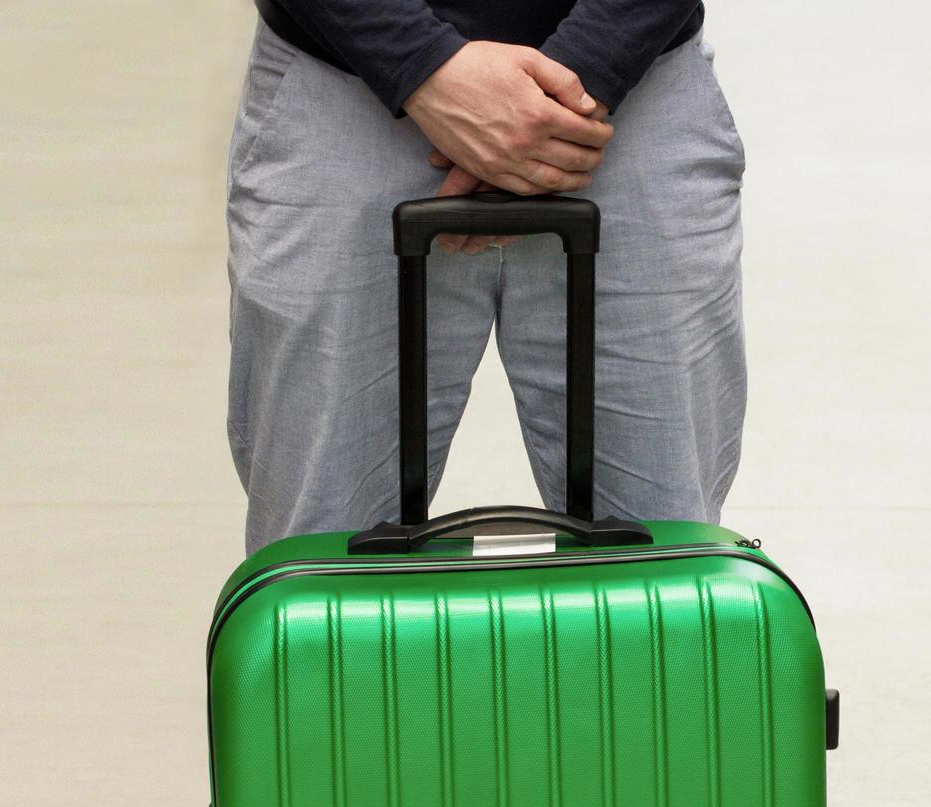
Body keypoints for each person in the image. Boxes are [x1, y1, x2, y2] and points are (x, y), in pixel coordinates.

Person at [226, 0, 747, 554]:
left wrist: (556, 98)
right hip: (343, 85)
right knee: (320, 567)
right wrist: (416, 60)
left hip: (632, 84)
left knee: (664, 569)